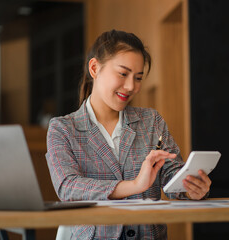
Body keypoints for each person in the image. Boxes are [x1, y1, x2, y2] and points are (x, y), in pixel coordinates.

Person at [46, 29, 212, 240]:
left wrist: (192, 188)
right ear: (94, 68)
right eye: (123, 74)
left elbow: (173, 176)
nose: (131, 86)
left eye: (138, 77)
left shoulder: (151, 121)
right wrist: (134, 186)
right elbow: (68, 186)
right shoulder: (63, 128)